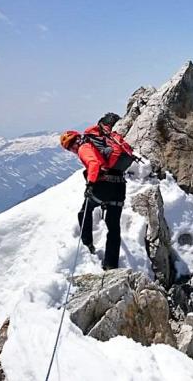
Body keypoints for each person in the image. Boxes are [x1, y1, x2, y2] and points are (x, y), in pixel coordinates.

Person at [60, 112, 134, 270]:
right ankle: (110, 264)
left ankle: (87, 244)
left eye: (71, 145)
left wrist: (90, 185)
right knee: (113, 227)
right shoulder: (98, 141)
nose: (73, 148)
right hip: (119, 186)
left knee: (85, 211)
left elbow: (93, 164)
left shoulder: (83, 148)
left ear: (76, 141)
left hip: (103, 187)